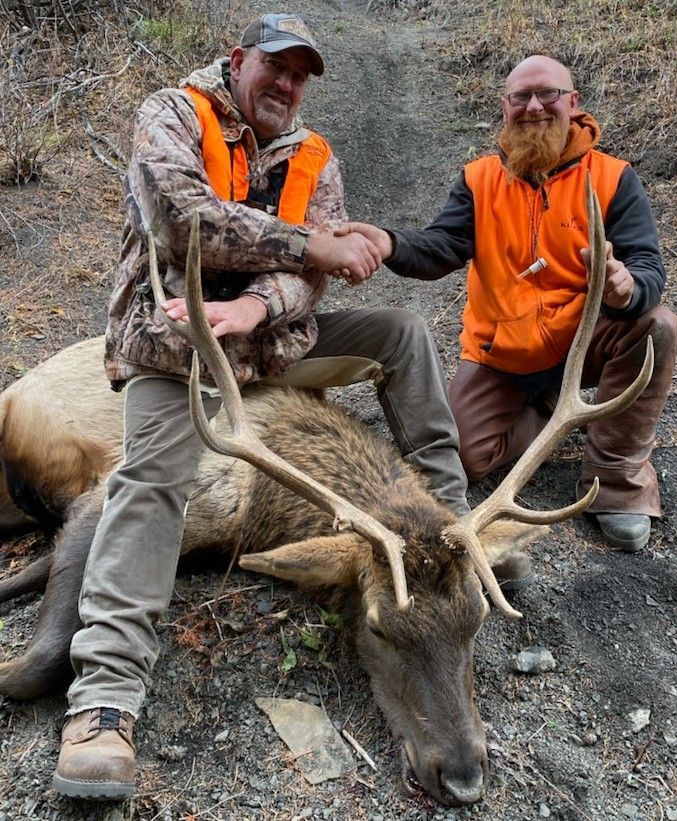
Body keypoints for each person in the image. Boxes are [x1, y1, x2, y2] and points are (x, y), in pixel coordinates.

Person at [52, 14, 474, 800]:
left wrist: (255, 308)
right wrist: (305, 252)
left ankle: (446, 541)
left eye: (301, 76)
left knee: (402, 332)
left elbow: (315, 281)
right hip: (177, 349)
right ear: (238, 60)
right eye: (275, 68)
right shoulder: (171, 114)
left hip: (268, 340)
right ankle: (104, 697)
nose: (287, 86)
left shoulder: (313, 154)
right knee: (152, 484)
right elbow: (177, 218)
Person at [340, 55, 677, 554]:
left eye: (547, 94)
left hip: (581, 344)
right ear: (504, 107)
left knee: (657, 325)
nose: (533, 106)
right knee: (464, 458)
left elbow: (649, 266)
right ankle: (552, 409)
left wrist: (626, 287)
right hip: (503, 353)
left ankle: (617, 481)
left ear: (572, 102)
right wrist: (390, 243)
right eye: (520, 97)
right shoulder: (479, 180)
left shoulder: (613, 179)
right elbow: (441, 247)